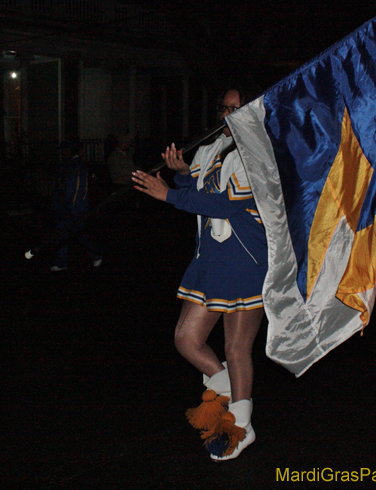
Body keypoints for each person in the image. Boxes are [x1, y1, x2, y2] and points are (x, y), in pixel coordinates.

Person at [131, 88, 267, 461]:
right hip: (210, 259)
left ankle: (240, 425)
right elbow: (200, 197)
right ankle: (227, 392)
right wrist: (181, 176)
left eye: (236, 109)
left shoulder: (259, 153)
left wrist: (169, 195)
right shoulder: (209, 148)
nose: (227, 114)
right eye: (224, 107)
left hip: (244, 260)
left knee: (237, 348)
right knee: (185, 338)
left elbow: (225, 205)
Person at [50, 140, 103, 271]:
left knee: (80, 234)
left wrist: (74, 208)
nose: (63, 153)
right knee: (63, 234)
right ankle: (61, 263)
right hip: (65, 207)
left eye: (66, 150)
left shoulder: (77, 166)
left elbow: (79, 190)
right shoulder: (68, 165)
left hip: (73, 208)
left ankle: (96, 254)